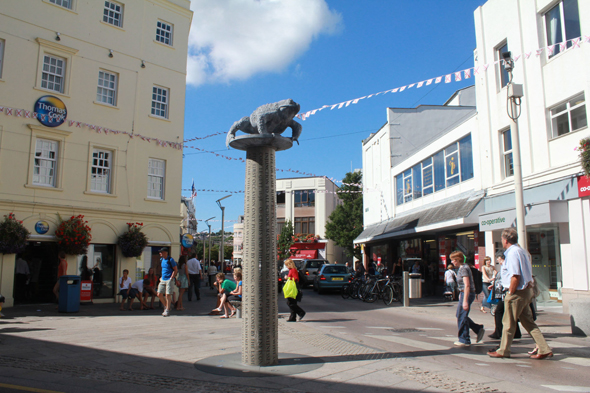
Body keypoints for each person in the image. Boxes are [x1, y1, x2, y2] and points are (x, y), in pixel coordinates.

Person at [488, 228, 552, 359]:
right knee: (528, 322)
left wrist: (511, 292)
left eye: (502, 239)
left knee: (508, 322)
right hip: (525, 290)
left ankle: (503, 350)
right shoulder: (522, 251)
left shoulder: (512, 253)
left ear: (505, 240)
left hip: (517, 292)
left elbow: (515, 275)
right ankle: (544, 348)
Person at [450, 251, 485, 347]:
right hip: (464, 293)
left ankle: (464, 339)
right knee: (460, 315)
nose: (452, 262)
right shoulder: (463, 268)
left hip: (467, 293)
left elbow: (467, 285)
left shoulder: (464, 268)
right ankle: (477, 328)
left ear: (457, 260)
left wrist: (465, 300)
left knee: (461, 315)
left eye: (453, 260)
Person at [488, 252, 522, 340]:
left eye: (498, 259)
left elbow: (510, 278)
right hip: (503, 292)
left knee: (499, 311)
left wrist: (510, 291)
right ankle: (516, 332)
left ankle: (499, 332)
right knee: (509, 312)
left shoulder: (507, 266)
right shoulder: (504, 267)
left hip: (506, 293)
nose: (497, 260)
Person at [156, 247, 178, 317]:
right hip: (163, 279)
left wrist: (172, 277)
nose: (160, 253)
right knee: (159, 294)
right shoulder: (161, 260)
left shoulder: (170, 260)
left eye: (161, 252)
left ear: (165, 253)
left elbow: (175, 269)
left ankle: (167, 309)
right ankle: (167, 306)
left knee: (168, 294)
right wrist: (161, 277)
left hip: (169, 279)